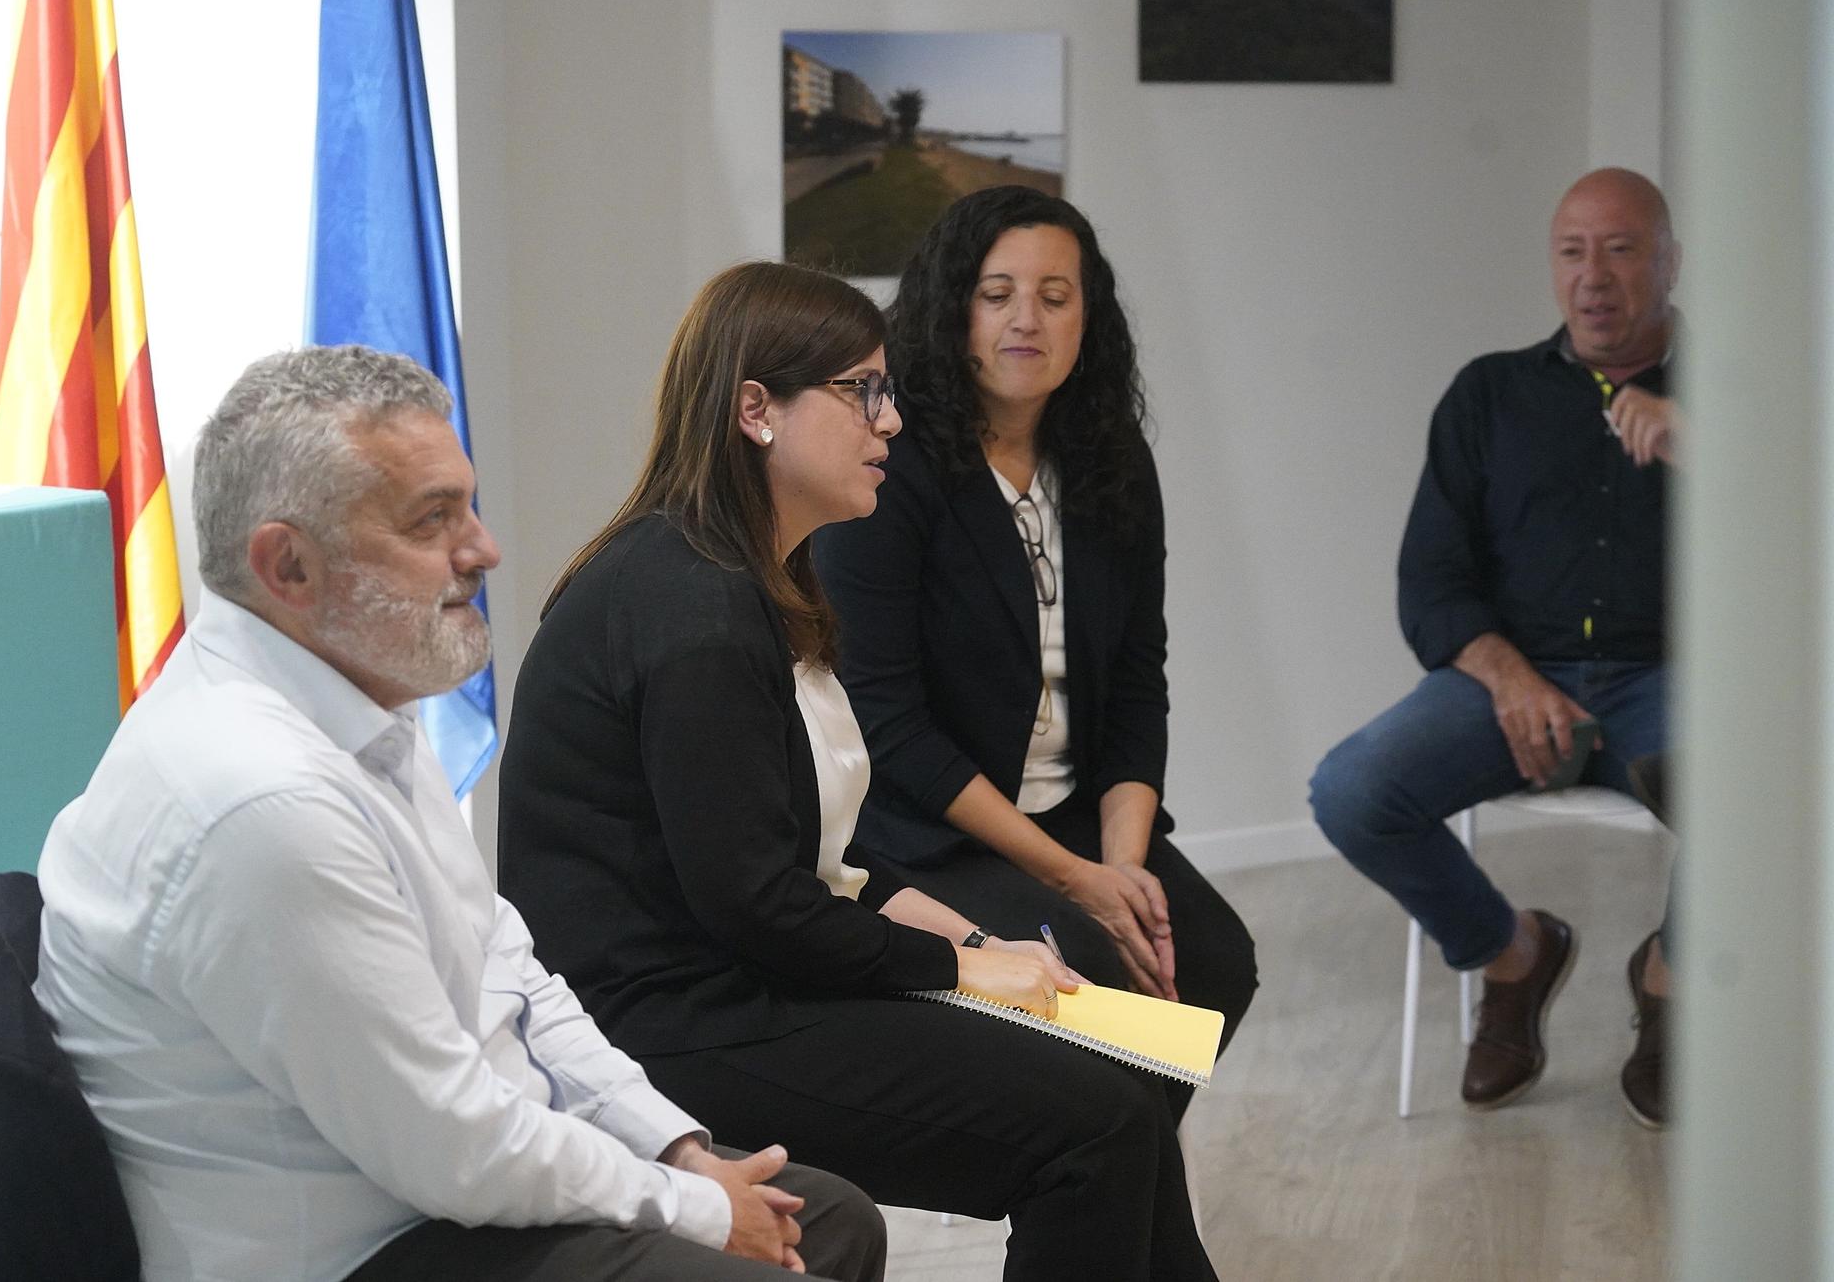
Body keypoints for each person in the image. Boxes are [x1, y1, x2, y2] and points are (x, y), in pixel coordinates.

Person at [33, 345, 887, 1282]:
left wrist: (679, 1150)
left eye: (467, 505)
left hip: (427, 1194)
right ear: (287, 564)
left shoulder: (356, 706)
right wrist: (695, 1210)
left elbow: (507, 970)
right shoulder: (260, 799)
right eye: (432, 519)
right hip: (360, 1248)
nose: (483, 548)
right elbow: (453, 1146)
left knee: (829, 1220)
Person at [498, 262, 1219, 1281]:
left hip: (737, 979)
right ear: (756, 410)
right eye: (861, 392)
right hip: (667, 1027)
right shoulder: (692, 611)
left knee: (1122, 1073)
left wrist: (981, 942)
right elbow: (760, 905)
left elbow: (826, 858)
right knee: (1090, 1126)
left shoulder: (750, 574)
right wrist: (971, 971)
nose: (889, 424)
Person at [813, 186, 1258, 1116]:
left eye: (1056, 296)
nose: (1027, 318)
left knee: (1212, 962)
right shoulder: (892, 467)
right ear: (952, 310)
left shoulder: (1111, 458)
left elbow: (1139, 678)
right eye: (998, 292)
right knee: (1094, 983)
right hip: (933, 832)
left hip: (1082, 820)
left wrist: (1123, 870)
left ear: (1088, 319)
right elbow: (891, 726)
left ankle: (1106, 1183)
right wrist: (1076, 882)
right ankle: (1100, 1186)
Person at [1309, 168, 1679, 1125]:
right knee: (1351, 790)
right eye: (1571, 251)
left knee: (1769, 795)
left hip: (1673, 685)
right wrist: (1509, 678)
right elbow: (1430, 581)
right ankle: (1516, 956)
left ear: (1670, 262)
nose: (1594, 275)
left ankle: (1670, 978)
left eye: (1622, 248)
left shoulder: (1743, 399)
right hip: (1515, 677)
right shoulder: (1490, 394)